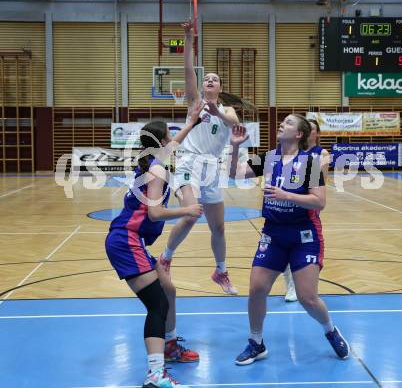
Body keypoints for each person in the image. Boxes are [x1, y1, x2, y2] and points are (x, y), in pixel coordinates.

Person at [229, 114, 350, 366]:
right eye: (282, 121)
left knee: (307, 298)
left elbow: (320, 201)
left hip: (303, 234)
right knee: (256, 288)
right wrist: (235, 146)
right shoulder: (268, 157)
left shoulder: (311, 162)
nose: (282, 124)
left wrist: (287, 195)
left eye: (289, 123)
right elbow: (235, 174)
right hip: (273, 232)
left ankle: (330, 329)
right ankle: (256, 343)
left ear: (298, 134)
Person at [105, 105, 204, 388]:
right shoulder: (158, 169)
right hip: (127, 240)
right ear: (161, 141)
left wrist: (192, 122)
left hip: (129, 239)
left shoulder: (151, 159)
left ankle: (170, 346)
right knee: (158, 304)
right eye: (169, 136)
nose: (173, 139)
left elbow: (175, 142)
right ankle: (155, 374)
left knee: (169, 290)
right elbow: (155, 213)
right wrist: (188, 210)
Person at [159, 20, 241, 295]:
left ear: (220, 87)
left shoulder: (228, 110)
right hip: (188, 163)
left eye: (214, 80)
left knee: (218, 227)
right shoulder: (195, 102)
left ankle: (221, 271)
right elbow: (187, 71)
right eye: (207, 78)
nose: (209, 80)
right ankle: (166, 256)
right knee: (192, 214)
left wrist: (217, 111)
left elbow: (230, 121)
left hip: (211, 168)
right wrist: (187, 38)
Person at [283, 118, 330, 302]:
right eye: (307, 129)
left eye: (313, 129)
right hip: (286, 203)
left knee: (304, 247)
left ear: (317, 133)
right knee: (284, 246)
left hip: (307, 203)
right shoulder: (292, 151)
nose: (309, 132)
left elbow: (321, 180)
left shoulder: (321, 153)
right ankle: (290, 286)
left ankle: (304, 286)